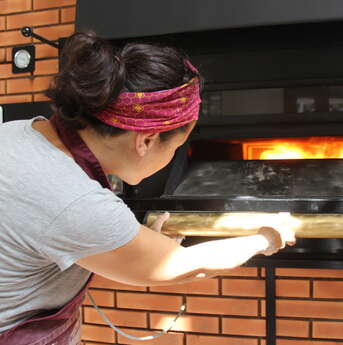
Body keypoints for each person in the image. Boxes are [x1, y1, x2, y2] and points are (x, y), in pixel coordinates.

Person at [0, 31, 295, 344]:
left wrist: (137, 240)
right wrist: (265, 237)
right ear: (147, 140)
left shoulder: (17, 133)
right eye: (177, 146)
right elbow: (183, 266)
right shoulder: (74, 201)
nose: (172, 157)